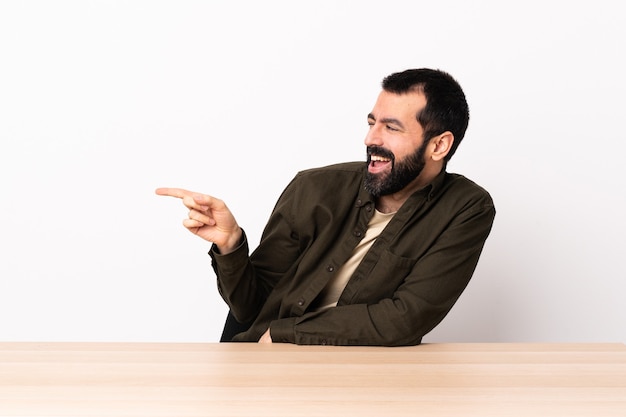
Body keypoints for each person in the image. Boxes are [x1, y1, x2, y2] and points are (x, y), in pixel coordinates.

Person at [156, 68, 495, 346]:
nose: (371, 139)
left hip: (364, 375)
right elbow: (251, 307)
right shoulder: (314, 188)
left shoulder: (466, 209)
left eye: (391, 127)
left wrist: (285, 333)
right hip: (264, 365)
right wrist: (230, 245)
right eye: (371, 122)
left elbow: (405, 318)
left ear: (439, 145)